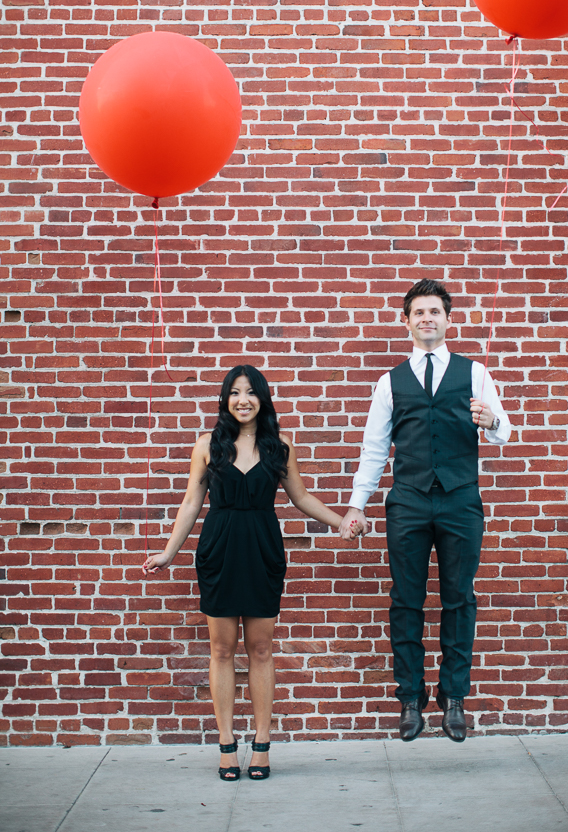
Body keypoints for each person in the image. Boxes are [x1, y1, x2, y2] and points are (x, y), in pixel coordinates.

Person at [143, 364, 356, 781]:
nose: (243, 399)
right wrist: (169, 552)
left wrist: (341, 522)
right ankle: (226, 746)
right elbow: (191, 502)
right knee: (221, 650)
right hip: (219, 550)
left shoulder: (280, 446)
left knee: (260, 649)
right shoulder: (208, 444)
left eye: (251, 392)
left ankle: (261, 745)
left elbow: (301, 496)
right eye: (235, 392)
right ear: (225, 399)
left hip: (262, 551)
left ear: (263, 398)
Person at [339, 279, 511, 743]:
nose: (427, 319)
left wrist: (491, 421)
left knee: (459, 599)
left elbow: (504, 431)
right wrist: (357, 505)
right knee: (406, 601)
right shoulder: (389, 381)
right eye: (418, 312)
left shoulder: (474, 373)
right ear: (407, 321)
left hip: (460, 501)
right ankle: (410, 700)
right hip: (409, 502)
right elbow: (374, 449)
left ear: (448, 319)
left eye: (435, 311)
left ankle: (453, 698)